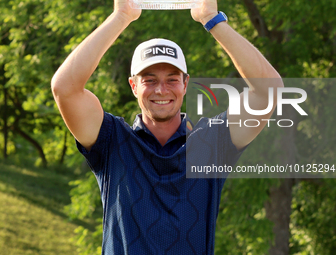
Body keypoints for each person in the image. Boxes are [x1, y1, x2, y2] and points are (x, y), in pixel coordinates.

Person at [51, 0, 283, 253]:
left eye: (172, 79)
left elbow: (269, 90)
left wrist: (212, 20)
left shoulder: (213, 142)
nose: (161, 89)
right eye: (149, 80)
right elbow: (65, 88)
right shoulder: (111, 141)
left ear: (185, 84)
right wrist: (121, 17)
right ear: (133, 86)